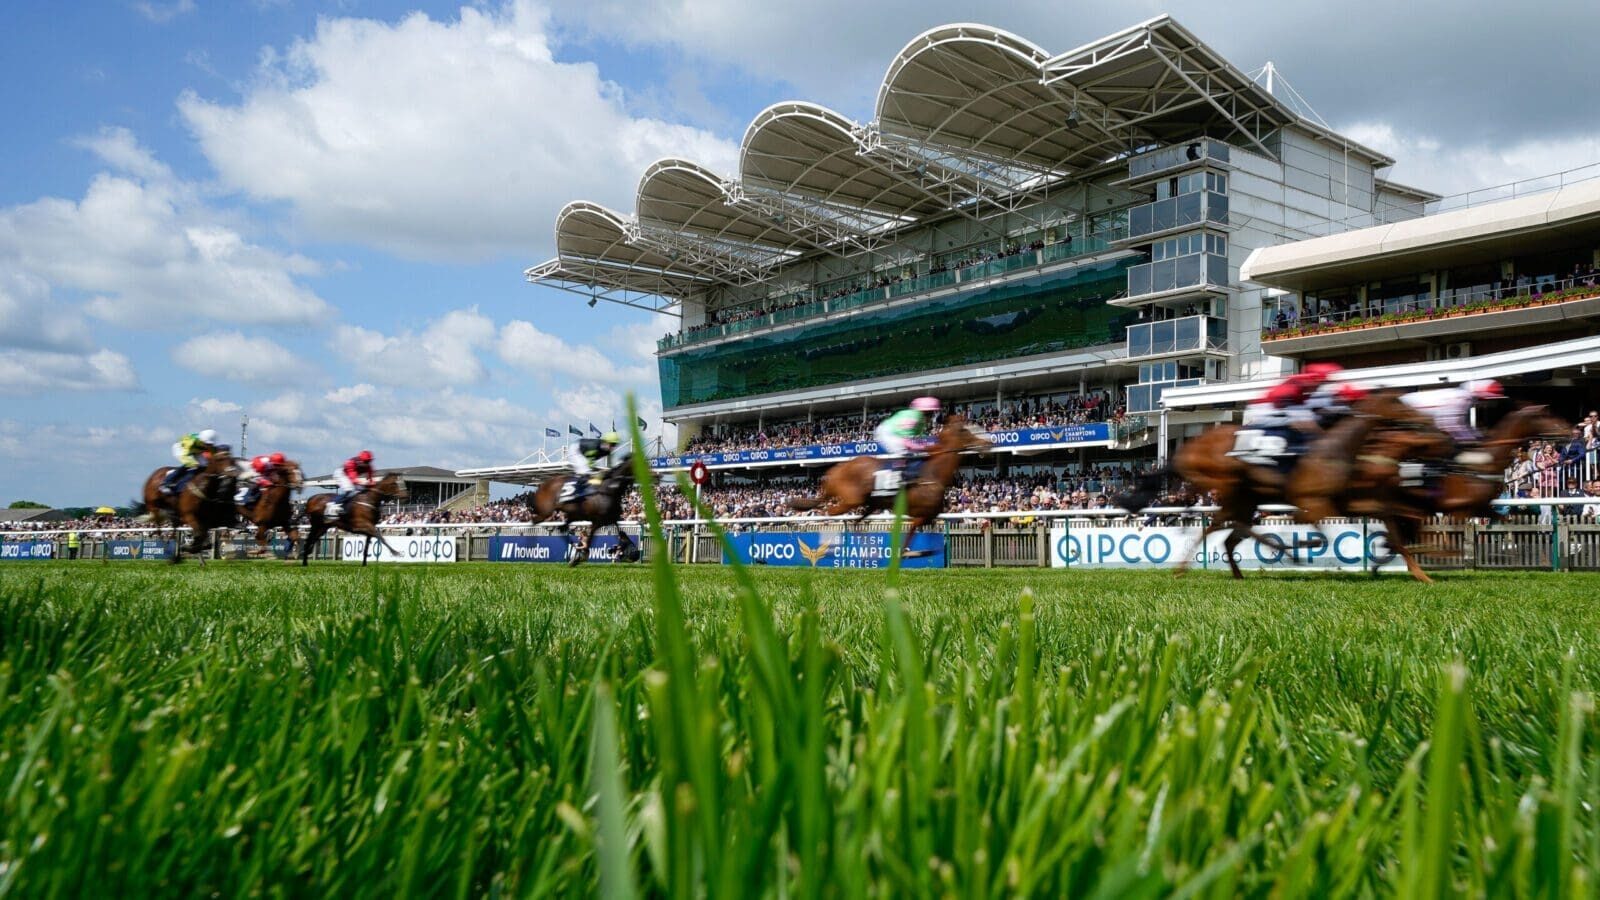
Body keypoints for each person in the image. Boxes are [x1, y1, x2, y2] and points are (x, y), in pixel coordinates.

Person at [1231, 363, 1342, 466]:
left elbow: (1312, 414)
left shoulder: (1304, 390)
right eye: (1320, 383)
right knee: (1294, 425)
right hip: (1262, 410)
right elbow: (1301, 422)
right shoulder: (1291, 389)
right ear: (1313, 380)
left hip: (1277, 409)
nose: (1319, 387)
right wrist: (1323, 435)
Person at [1400, 379, 1505, 464]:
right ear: (1480, 396)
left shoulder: (1462, 396)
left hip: (1416, 413)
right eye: (1488, 400)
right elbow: (1451, 425)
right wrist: (1477, 439)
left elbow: (1457, 425)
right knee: (1447, 447)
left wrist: (1475, 436)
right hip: (1405, 410)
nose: (1487, 404)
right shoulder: (1462, 398)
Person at [873, 397, 940, 491]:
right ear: (925, 412)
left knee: (912, 453)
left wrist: (925, 447)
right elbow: (907, 442)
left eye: (933, 413)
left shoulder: (921, 420)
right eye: (931, 413)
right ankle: (893, 482)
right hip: (887, 432)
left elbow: (918, 438)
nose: (932, 416)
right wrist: (925, 448)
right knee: (903, 451)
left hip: (896, 433)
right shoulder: (914, 417)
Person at [161, 429, 219, 494]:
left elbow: (215, 455)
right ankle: (166, 483)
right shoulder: (191, 441)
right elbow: (185, 454)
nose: (208, 446)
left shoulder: (209, 444)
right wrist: (192, 463)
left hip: (195, 451)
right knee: (191, 464)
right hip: (180, 448)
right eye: (206, 444)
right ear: (201, 440)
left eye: (210, 444)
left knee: (204, 465)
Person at [566, 432, 621, 502]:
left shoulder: (608, 451)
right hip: (576, 450)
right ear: (606, 442)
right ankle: (574, 494)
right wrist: (595, 471)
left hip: (584, 453)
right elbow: (589, 460)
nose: (613, 447)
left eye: (615, 445)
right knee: (585, 471)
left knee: (591, 473)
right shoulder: (595, 446)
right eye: (612, 444)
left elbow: (610, 466)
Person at [328, 450, 377, 517]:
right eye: (366, 461)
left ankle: (346, 506)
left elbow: (370, 478)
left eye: (369, 461)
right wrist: (365, 484)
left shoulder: (369, 466)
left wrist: (372, 483)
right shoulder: (351, 463)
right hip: (341, 474)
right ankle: (333, 503)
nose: (368, 463)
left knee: (362, 490)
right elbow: (353, 480)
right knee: (349, 489)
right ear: (361, 460)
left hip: (350, 477)